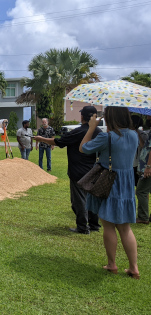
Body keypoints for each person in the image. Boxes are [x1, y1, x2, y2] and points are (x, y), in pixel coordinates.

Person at [80, 107, 140, 279]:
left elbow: (83, 148)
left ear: (110, 117)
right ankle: (133, 268)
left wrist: (91, 127)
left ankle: (112, 264)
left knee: (108, 225)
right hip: (127, 182)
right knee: (125, 228)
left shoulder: (107, 137)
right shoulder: (134, 134)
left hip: (110, 182)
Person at [34, 106, 101, 234]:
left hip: (78, 170)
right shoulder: (99, 132)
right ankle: (94, 225)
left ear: (82, 117)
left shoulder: (79, 131)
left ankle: (82, 227)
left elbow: (59, 141)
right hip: (94, 170)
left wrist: (40, 139)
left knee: (79, 200)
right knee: (92, 198)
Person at [136, 125, 151, 225]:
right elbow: (143, 145)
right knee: (143, 191)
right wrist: (137, 132)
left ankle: (143, 217)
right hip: (144, 165)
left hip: (147, 167)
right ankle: (142, 216)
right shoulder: (148, 132)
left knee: (141, 191)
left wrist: (148, 166)